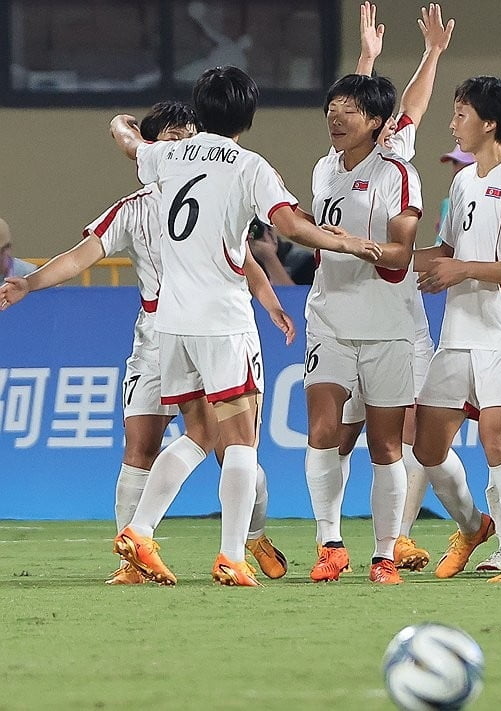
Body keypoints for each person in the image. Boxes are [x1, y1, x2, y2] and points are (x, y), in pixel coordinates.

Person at [109, 66, 381, 587]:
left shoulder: (165, 155)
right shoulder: (249, 166)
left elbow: (128, 143)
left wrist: (123, 124)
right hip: (224, 320)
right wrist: (347, 242)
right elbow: (289, 224)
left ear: (200, 108)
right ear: (248, 116)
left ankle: (140, 530)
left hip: (171, 323)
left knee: (196, 434)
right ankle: (231, 554)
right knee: (239, 444)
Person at [0, 101, 293, 585]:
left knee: (228, 448)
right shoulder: (134, 210)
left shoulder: (215, 191)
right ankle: (133, 559)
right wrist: (29, 285)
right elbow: (81, 257)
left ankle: (250, 536)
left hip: (206, 329)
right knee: (143, 446)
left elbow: (245, 261)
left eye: (188, 135)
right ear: (155, 150)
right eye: (172, 137)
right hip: (159, 338)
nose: (184, 144)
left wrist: (267, 299)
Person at [411, 75, 501, 583]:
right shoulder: (464, 180)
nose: (452, 123)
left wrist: (463, 271)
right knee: (425, 445)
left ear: (489, 122)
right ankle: (473, 526)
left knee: (498, 446)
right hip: (459, 333)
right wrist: (374, 257)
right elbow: (447, 253)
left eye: (461, 113)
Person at [341, 0, 458, 574]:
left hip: (398, 317)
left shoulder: (395, 156)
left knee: (411, 429)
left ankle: (401, 538)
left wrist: (432, 52)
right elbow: (353, 109)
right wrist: (365, 58)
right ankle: (335, 540)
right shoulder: (338, 162)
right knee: (347, 435)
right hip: (343, 319)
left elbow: (412, 103)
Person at [301, 71, 423, 586]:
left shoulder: (397, 173)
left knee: (385, 446)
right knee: (322, 433)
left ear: (377, 122)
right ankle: (330, 545)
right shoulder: (324, 169)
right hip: (328, 319)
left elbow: (400, 256)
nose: (336, 115)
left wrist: (354, 244)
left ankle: (384, 554)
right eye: (333, 106)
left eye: (350, 108)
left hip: (387, 325)